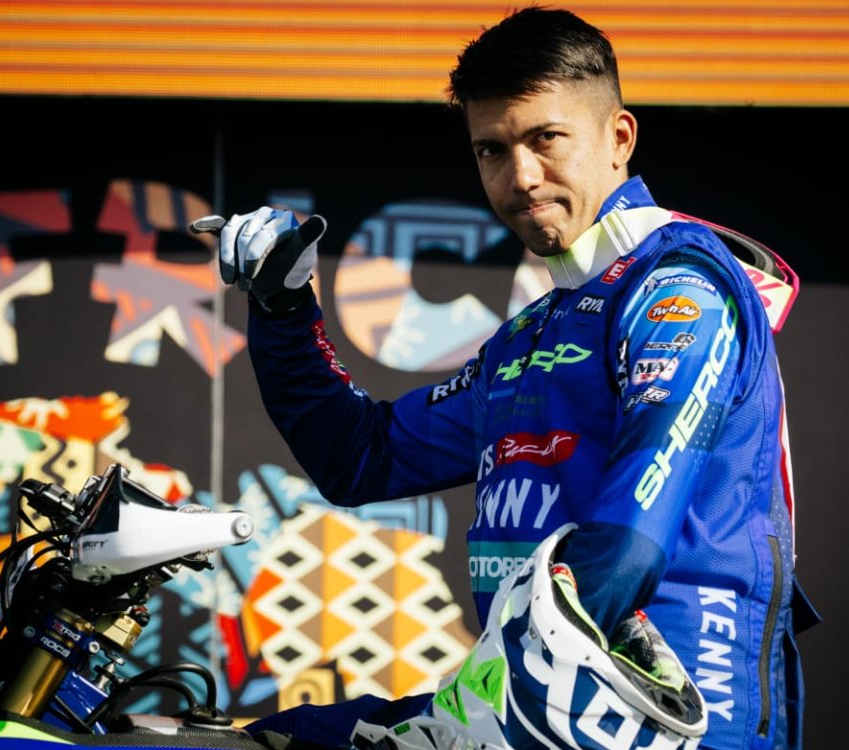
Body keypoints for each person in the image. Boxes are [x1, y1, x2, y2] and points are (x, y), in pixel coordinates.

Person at [193, 7, 814, 749]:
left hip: (668, 718)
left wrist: (484, 707)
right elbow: (356, 457)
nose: (520, 177)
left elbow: (629, 542)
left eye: (545, 139)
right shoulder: (532, 334)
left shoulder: (679, 289)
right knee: (266, 738)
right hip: (544, 701)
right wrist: (283, 306)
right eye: (492, 150)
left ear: (619, 139)